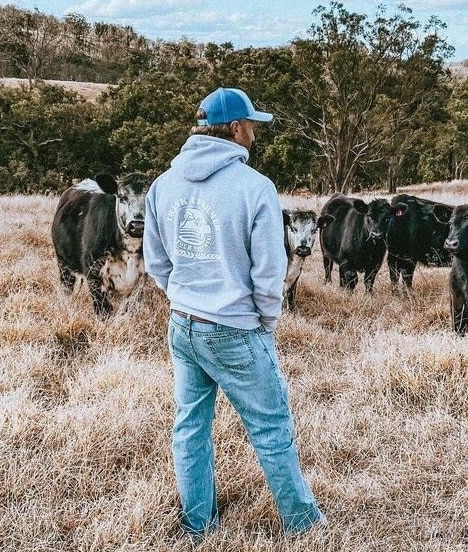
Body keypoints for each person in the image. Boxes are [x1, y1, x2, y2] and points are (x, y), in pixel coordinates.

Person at [143, 87, 325, 537]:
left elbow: (156, 262)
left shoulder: (163, 185)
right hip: (235, 328)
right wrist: (265, 322)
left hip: (182, 324)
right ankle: (302, 524)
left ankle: (197, 524)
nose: (255, 135)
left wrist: (185, 297)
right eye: (253, 127)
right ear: (237, 129)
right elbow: (269, 272)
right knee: (270, 425)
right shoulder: (255, 188)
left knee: (190, 425)